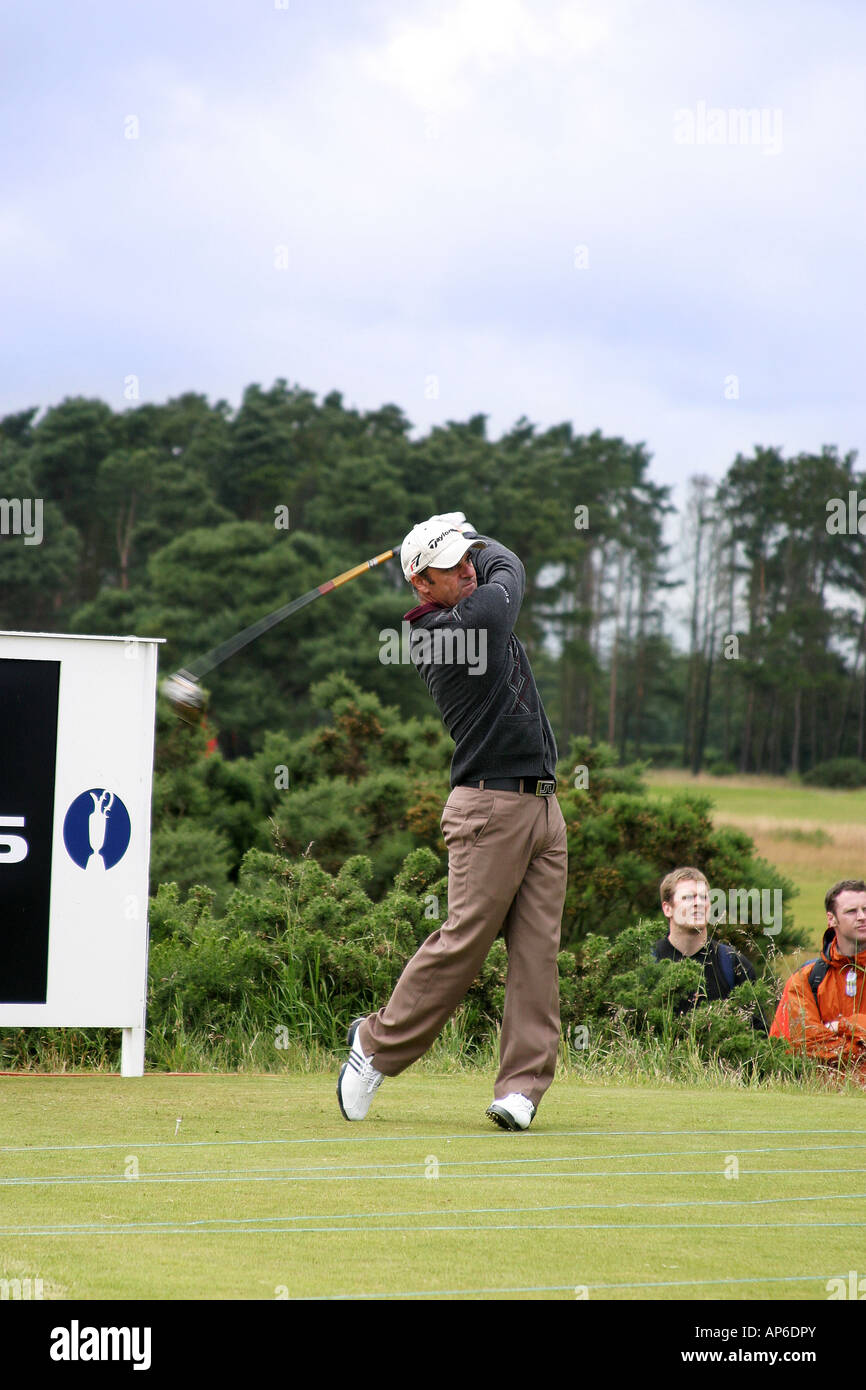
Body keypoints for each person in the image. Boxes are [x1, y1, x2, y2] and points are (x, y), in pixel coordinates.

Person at [337, 512, 567, 1131]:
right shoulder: (443, 630)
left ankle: (520, 1088)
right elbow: (508, 572)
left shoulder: (465, 593)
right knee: (465, 941)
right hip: (488, 808)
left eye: (469, 559)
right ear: (420, 586)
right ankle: (373, 1047)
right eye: (451, 567)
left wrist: (461, 541)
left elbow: (498, 567)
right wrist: (485, 540)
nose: (468, 570)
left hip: (544, 806)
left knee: (537, 952)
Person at [770, 879, 866, 1067]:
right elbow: (802, 1044)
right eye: (851, 911)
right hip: (823, 1091)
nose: (862, 916)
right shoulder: (806, 979)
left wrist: (841, 1026)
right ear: (832, 919)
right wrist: (860, 1047)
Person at [653, 867, 760, 1010]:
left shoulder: (734, 965)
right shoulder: (648, 962)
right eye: (688, 897)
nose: (699, 903)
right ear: (667, 909)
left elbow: (756, 1029)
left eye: (704, 897)